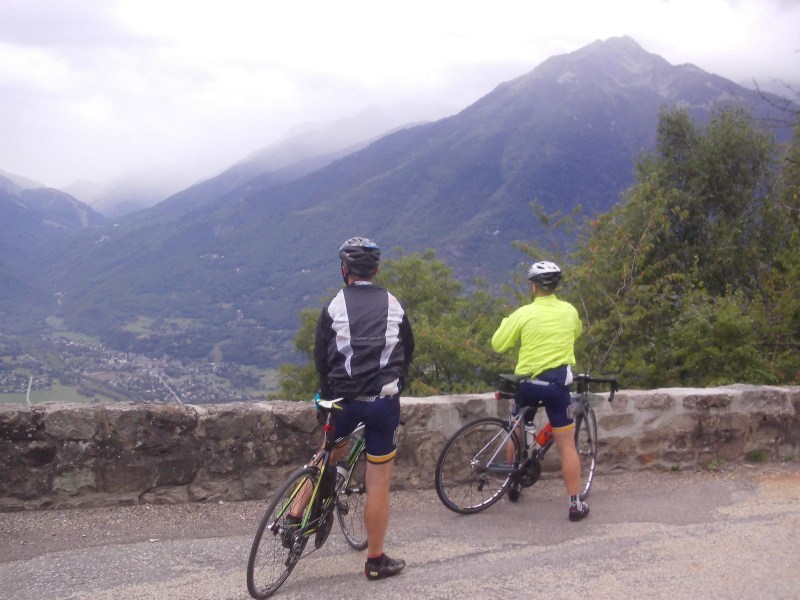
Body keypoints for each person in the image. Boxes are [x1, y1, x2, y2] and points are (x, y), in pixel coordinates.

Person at [313, 236, 415, 579]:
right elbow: (407, 351)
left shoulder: (334, 306)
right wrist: (398, 384)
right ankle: (375, 561)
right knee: (378, 484)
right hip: (382, 405)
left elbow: (321, 359)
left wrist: (327, 397)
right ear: (376, 269)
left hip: (342, 401)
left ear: (345, 270)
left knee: (327, 453)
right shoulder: (394, 304)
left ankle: (298, 513)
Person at [490, 260, 588, 521]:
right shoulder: (569, 311)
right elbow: (576, 332)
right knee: (567, 445)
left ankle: (513, 484)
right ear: (556, 287)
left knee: (517, 433)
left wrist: (507, 321)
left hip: (527, 385)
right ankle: (575, 504)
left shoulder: (523, 314)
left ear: (533, 287)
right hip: (557, 386)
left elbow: (498, 344)